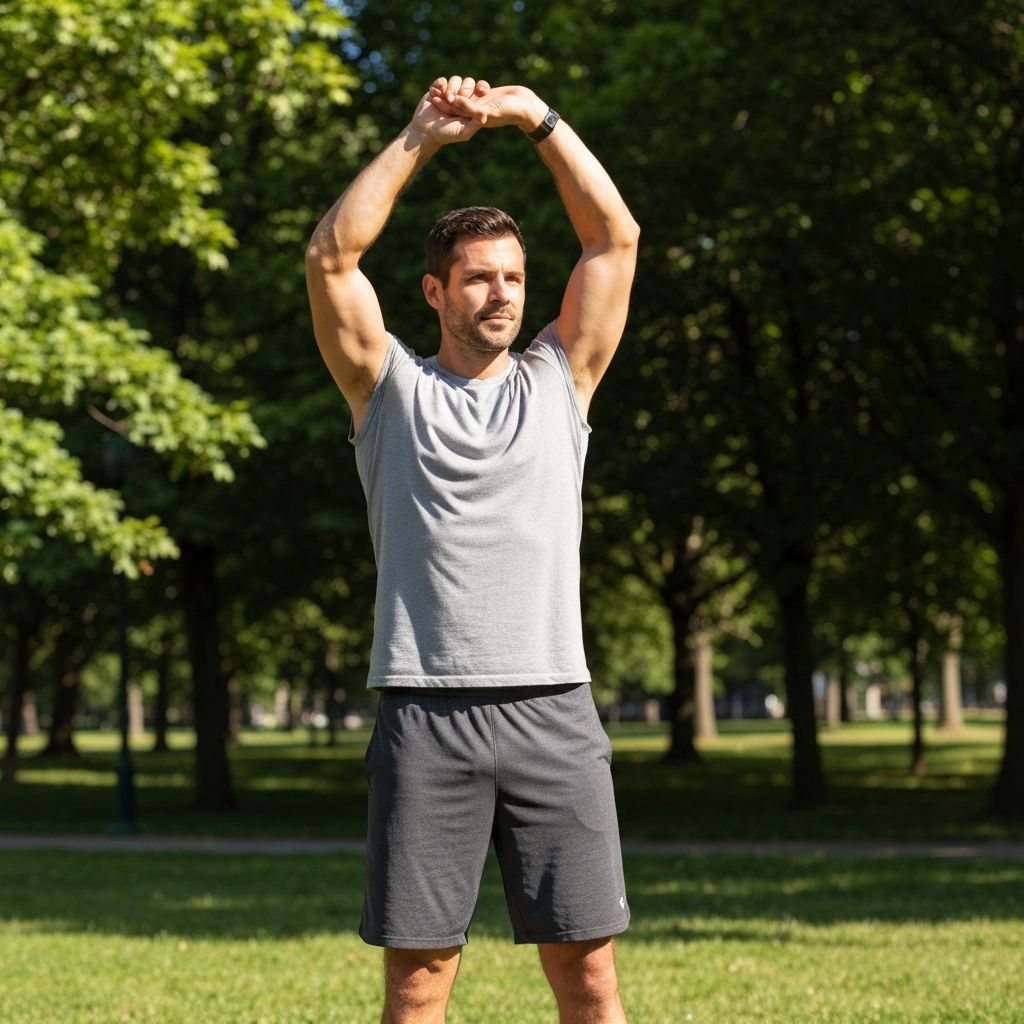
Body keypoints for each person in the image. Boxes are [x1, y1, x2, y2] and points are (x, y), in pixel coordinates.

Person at [305, 74, 639, 1024]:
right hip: (424, 713)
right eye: (480, 277)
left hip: (554, 710)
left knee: (591, 978)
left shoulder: (561, 377)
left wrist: (535, 116)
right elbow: (332, 256)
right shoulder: (387, 389)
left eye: (514, 277)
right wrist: (422, 135)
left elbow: (614, 239)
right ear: (435, 290)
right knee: (418, 988)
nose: (501, 293)